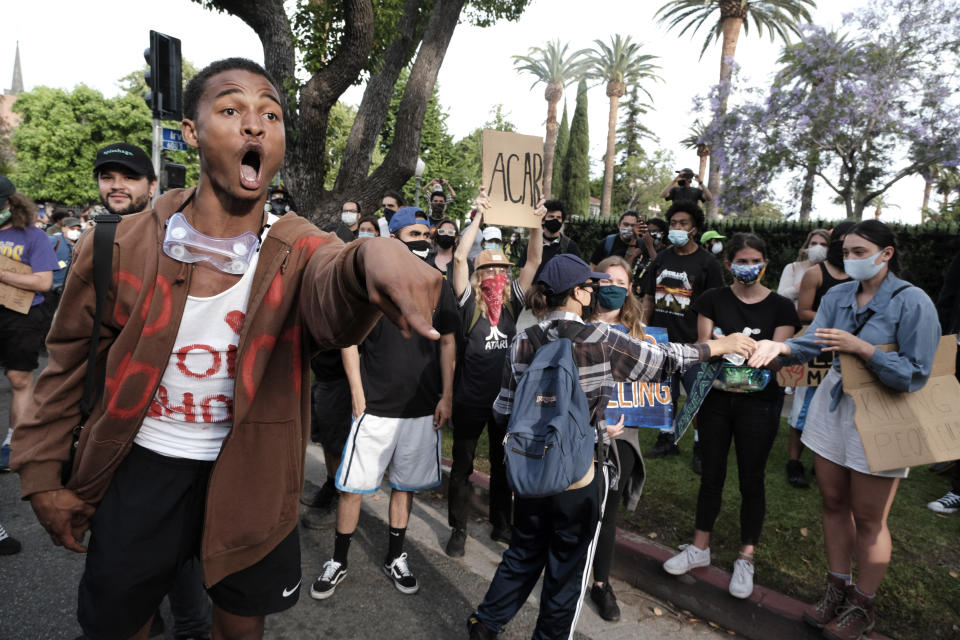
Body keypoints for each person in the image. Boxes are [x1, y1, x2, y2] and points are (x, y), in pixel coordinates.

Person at [11, 58, 442, 640]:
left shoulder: (300, 247)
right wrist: (41, 476)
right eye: (232, 109)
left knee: (240, 629)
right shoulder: (119, 243)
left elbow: (332, 295)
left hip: (254, 477)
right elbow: (64, 368)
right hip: (140, 468)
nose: (255, 125)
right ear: (191, 131)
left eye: (271, 113)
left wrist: (373, 256)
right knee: (118, 624)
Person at [467, 253, 755, 640]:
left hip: (531, 471)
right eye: (590, 285)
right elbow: (667, 359)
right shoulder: (602, 340)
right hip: (581, 474)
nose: (595, 291)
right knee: (566, 573)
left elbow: (503, 411)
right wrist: (720, 347)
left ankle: (484, 626)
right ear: (579, 293)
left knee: (522, 553)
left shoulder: (522, 340)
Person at [749, 220, 940, 639]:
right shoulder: (837, 294)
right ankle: (837, 587)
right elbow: (813, 342)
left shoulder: (914, 302)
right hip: (833, 406)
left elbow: (917, 374)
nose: (848, 259)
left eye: (858, 252)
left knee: (870, 518)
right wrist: (781, 347)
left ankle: (863, 604)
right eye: (845, 252)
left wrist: (864, 350)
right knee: (833, 501)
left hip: (885, 412)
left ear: (885, 253)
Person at [312, 207, 458, 601]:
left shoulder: (439, 284)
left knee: (404, 487)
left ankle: (396, 556)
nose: (424, 241)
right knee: (353, 487)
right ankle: (339, 561)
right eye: (415, 234)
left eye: (427, 234)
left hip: (421, 407)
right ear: (394, 239)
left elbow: (447, 341)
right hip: (373, 407)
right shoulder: (369, 280)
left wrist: (446, 395)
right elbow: (348, 339)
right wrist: (357, 393)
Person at [662, 233, 799, 600]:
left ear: (766, 262)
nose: (748, 266)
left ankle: (746, 556)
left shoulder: (783, 307)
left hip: (760, 404)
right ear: (729, 264)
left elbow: (775, 357)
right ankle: (699, 547)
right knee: (711, 474)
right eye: (741, 260)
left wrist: (732, 343)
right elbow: (706, 349)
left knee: (752, 480)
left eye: (755, 259)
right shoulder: (712, 299)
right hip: (715, 401)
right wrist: (727, 346)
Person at [445, 191, 543, 558]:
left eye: (502, 270)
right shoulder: (468, 303)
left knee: (504, 468)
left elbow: (534, 260)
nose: (496, 275)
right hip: (470, 401)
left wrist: (535, 223)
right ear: (478, 273)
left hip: (506, 404)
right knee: (463, 466)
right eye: (489, 269)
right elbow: (457, 257)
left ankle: (502, 524)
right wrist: (477, 217)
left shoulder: (514, 303)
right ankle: (459, 528)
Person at [585, 255, 651, 622]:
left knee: (607, 508)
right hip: (582, 431)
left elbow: (652, 390)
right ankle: (567, 570)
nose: (611, 287)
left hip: (622, 435)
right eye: (604, 280)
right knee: (576, 505)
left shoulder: (642, 334)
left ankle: (600, 583)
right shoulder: (576, 326)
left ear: (629, 290)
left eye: (619, 282)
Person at [640, 202, 724, 461]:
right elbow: (648, 298)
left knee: (697, 398)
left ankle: (700, 445)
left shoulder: (708, 263)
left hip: (694, 343)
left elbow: (716, 305)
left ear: (694, 229)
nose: (676, 228)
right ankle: (666, 438)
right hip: (661, 341)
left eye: (682, 224)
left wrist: (707, 341)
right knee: (665, 394)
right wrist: (643, 329)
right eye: (673, 223)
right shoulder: (661, 259)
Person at [786, 223, 855, 488]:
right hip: (816, 349)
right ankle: (794, 462)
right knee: (802, 408)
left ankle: (824, 459)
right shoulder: (815, 274)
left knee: (834, 408)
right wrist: (838, 325)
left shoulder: (859, 277)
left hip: (845, 353)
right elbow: (803, 311)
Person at [0, 176, 58, 472]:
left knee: (20, 379)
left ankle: (15, 442)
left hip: (21, 315)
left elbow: (44, 281)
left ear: (10, 204)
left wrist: (4, 275)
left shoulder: (32, 236)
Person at [517, 199, 581, 282]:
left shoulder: (570, 246)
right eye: (551, 216)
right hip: (535, 293)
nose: (555, 220)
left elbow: (577, 273)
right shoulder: (532, 246)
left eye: (558, 217)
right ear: (543, 220)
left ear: (562, 221)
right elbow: (523, 273)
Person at [95, 142, 158, 216]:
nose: (116, 186)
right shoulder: (94, 227)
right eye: (107, 178)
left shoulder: (170, 227)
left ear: (152, 186)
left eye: (129, 178)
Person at [589, 210, 656, 272]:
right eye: (626, 224)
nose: (629, 228)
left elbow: (655, 265)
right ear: (619, 225)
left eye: (633, 225)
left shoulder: (642, 244)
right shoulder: (608, 242)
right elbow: (593, 266)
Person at [777, 229, 830, 306]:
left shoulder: (833, 271)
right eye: (813, 243)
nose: (818, 247)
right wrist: (804, 285)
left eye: (823, 244)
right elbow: (780, 298)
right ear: (807, 246)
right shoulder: (792, 268)